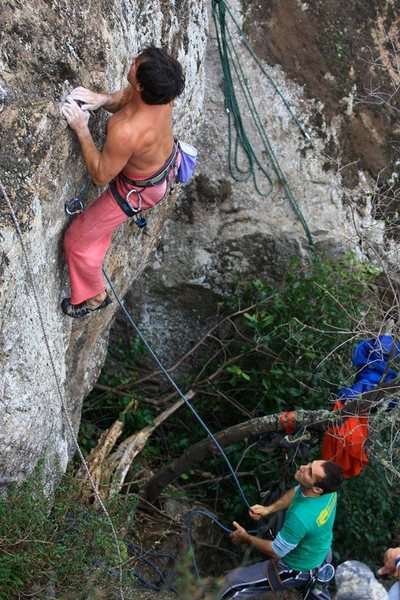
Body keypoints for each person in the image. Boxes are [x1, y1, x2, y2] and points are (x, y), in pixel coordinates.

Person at [60, 46, 185, 318]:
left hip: (138, 189)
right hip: (158, 170)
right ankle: (97, 236)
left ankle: (95, 296)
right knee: (94, 229)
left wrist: (81, 129)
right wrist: (101, 100)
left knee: (76, 240)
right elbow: (128, 98)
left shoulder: (127, 132)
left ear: (141, 84)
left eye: (136, 63)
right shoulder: (163, 94)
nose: (131, 60)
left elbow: (101, 175)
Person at [219, 460, 343, 599]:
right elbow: (297, 491)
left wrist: (245, 537)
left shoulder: (300, 517)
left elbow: (276, 551)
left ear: (317, 489)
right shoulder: (329, 492)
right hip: (323, 552)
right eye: (309, 464)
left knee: (231, 584)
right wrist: (268, 509)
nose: (302, 467)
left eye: (309, 472)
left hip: (297, 567)